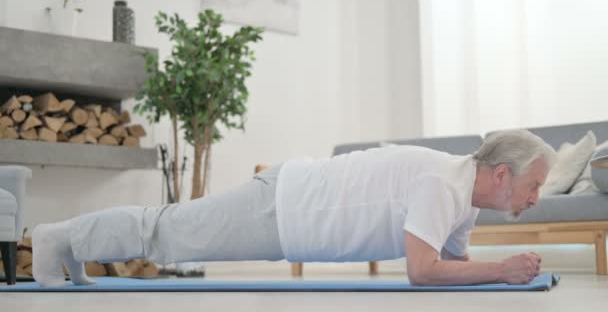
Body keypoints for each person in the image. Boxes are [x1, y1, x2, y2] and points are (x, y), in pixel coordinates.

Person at [32, 129, 556, 287]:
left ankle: (71, 247)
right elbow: (422, 272)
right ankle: (59, 237)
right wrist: (505, 270)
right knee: (167, 232)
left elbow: (453, 265)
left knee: (168, 230)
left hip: (292, 213)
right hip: (284, 207)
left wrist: (501, 271)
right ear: (503, 174)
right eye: (534, 185)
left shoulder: (462, 199)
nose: (536, 198)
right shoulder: (443, 182)